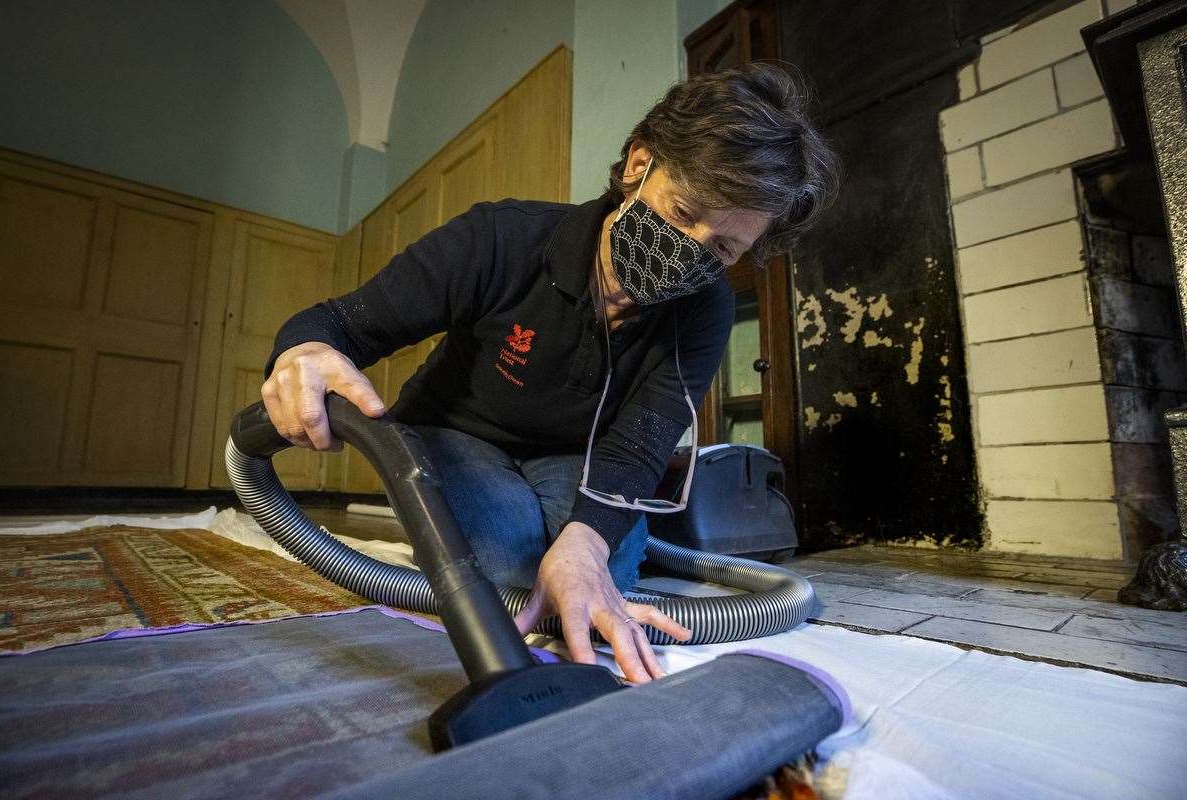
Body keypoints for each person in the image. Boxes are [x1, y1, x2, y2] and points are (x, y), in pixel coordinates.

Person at [261, 61, 837, 684]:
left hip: (577, 454)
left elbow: (643, 440)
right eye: (685, 211)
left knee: (596, 581)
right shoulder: (500, 238)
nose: (694, 248)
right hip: (455, 433)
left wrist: (588, 541)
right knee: (512, 566)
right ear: (640, 166)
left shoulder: (704, 308)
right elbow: (342, 323)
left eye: (723, 248)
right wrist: (303, 353)